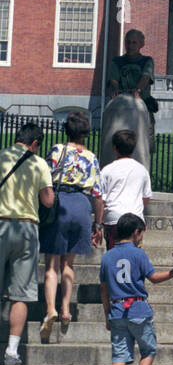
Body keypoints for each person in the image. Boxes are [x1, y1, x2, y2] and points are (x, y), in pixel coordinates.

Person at [100, 212, 173, 365]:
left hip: (117, 310)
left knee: (118, 356)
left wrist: (107, 313)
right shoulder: (138, 253)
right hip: (138, 309)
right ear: (136, 232)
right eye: (141, 234)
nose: (142, 238)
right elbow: (153, 278)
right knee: (149, 349)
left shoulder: (107, 257)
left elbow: (104, 290)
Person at [40, 112, 104, 341]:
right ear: (86, 133)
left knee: (51, 264)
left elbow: (45, 178)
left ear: (66, 130)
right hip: (81, 205)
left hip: (60, 203)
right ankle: (66, 308)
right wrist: (99, 223)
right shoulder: (91, 157)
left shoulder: (57, 150)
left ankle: (50, 309)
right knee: (69, 264)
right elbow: (97, 193)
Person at [0, 121, 54, 365]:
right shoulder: (39, 163)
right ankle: (12, 351)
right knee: (20, 294)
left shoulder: (1, 157)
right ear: (34, 143)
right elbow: (48, 201)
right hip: (27, 229)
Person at [100, 130, 152, 250]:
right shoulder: (142, 170)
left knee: (114, 254)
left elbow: (101, 199)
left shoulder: (107, 170)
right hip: (135, 218)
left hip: (114, 218)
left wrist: (99, 222)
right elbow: (146, 197)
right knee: (134, 256)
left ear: (115, 148)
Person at [107, 29, 158, 120]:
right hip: (122, 105)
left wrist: (137, 90)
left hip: (142, 105)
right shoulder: (116, 61)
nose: (130, 46)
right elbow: (113, 80)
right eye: (128, 42)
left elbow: (145, 77)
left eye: (134, 43)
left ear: (141, 44)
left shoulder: (147, 61)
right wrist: (115, 89)